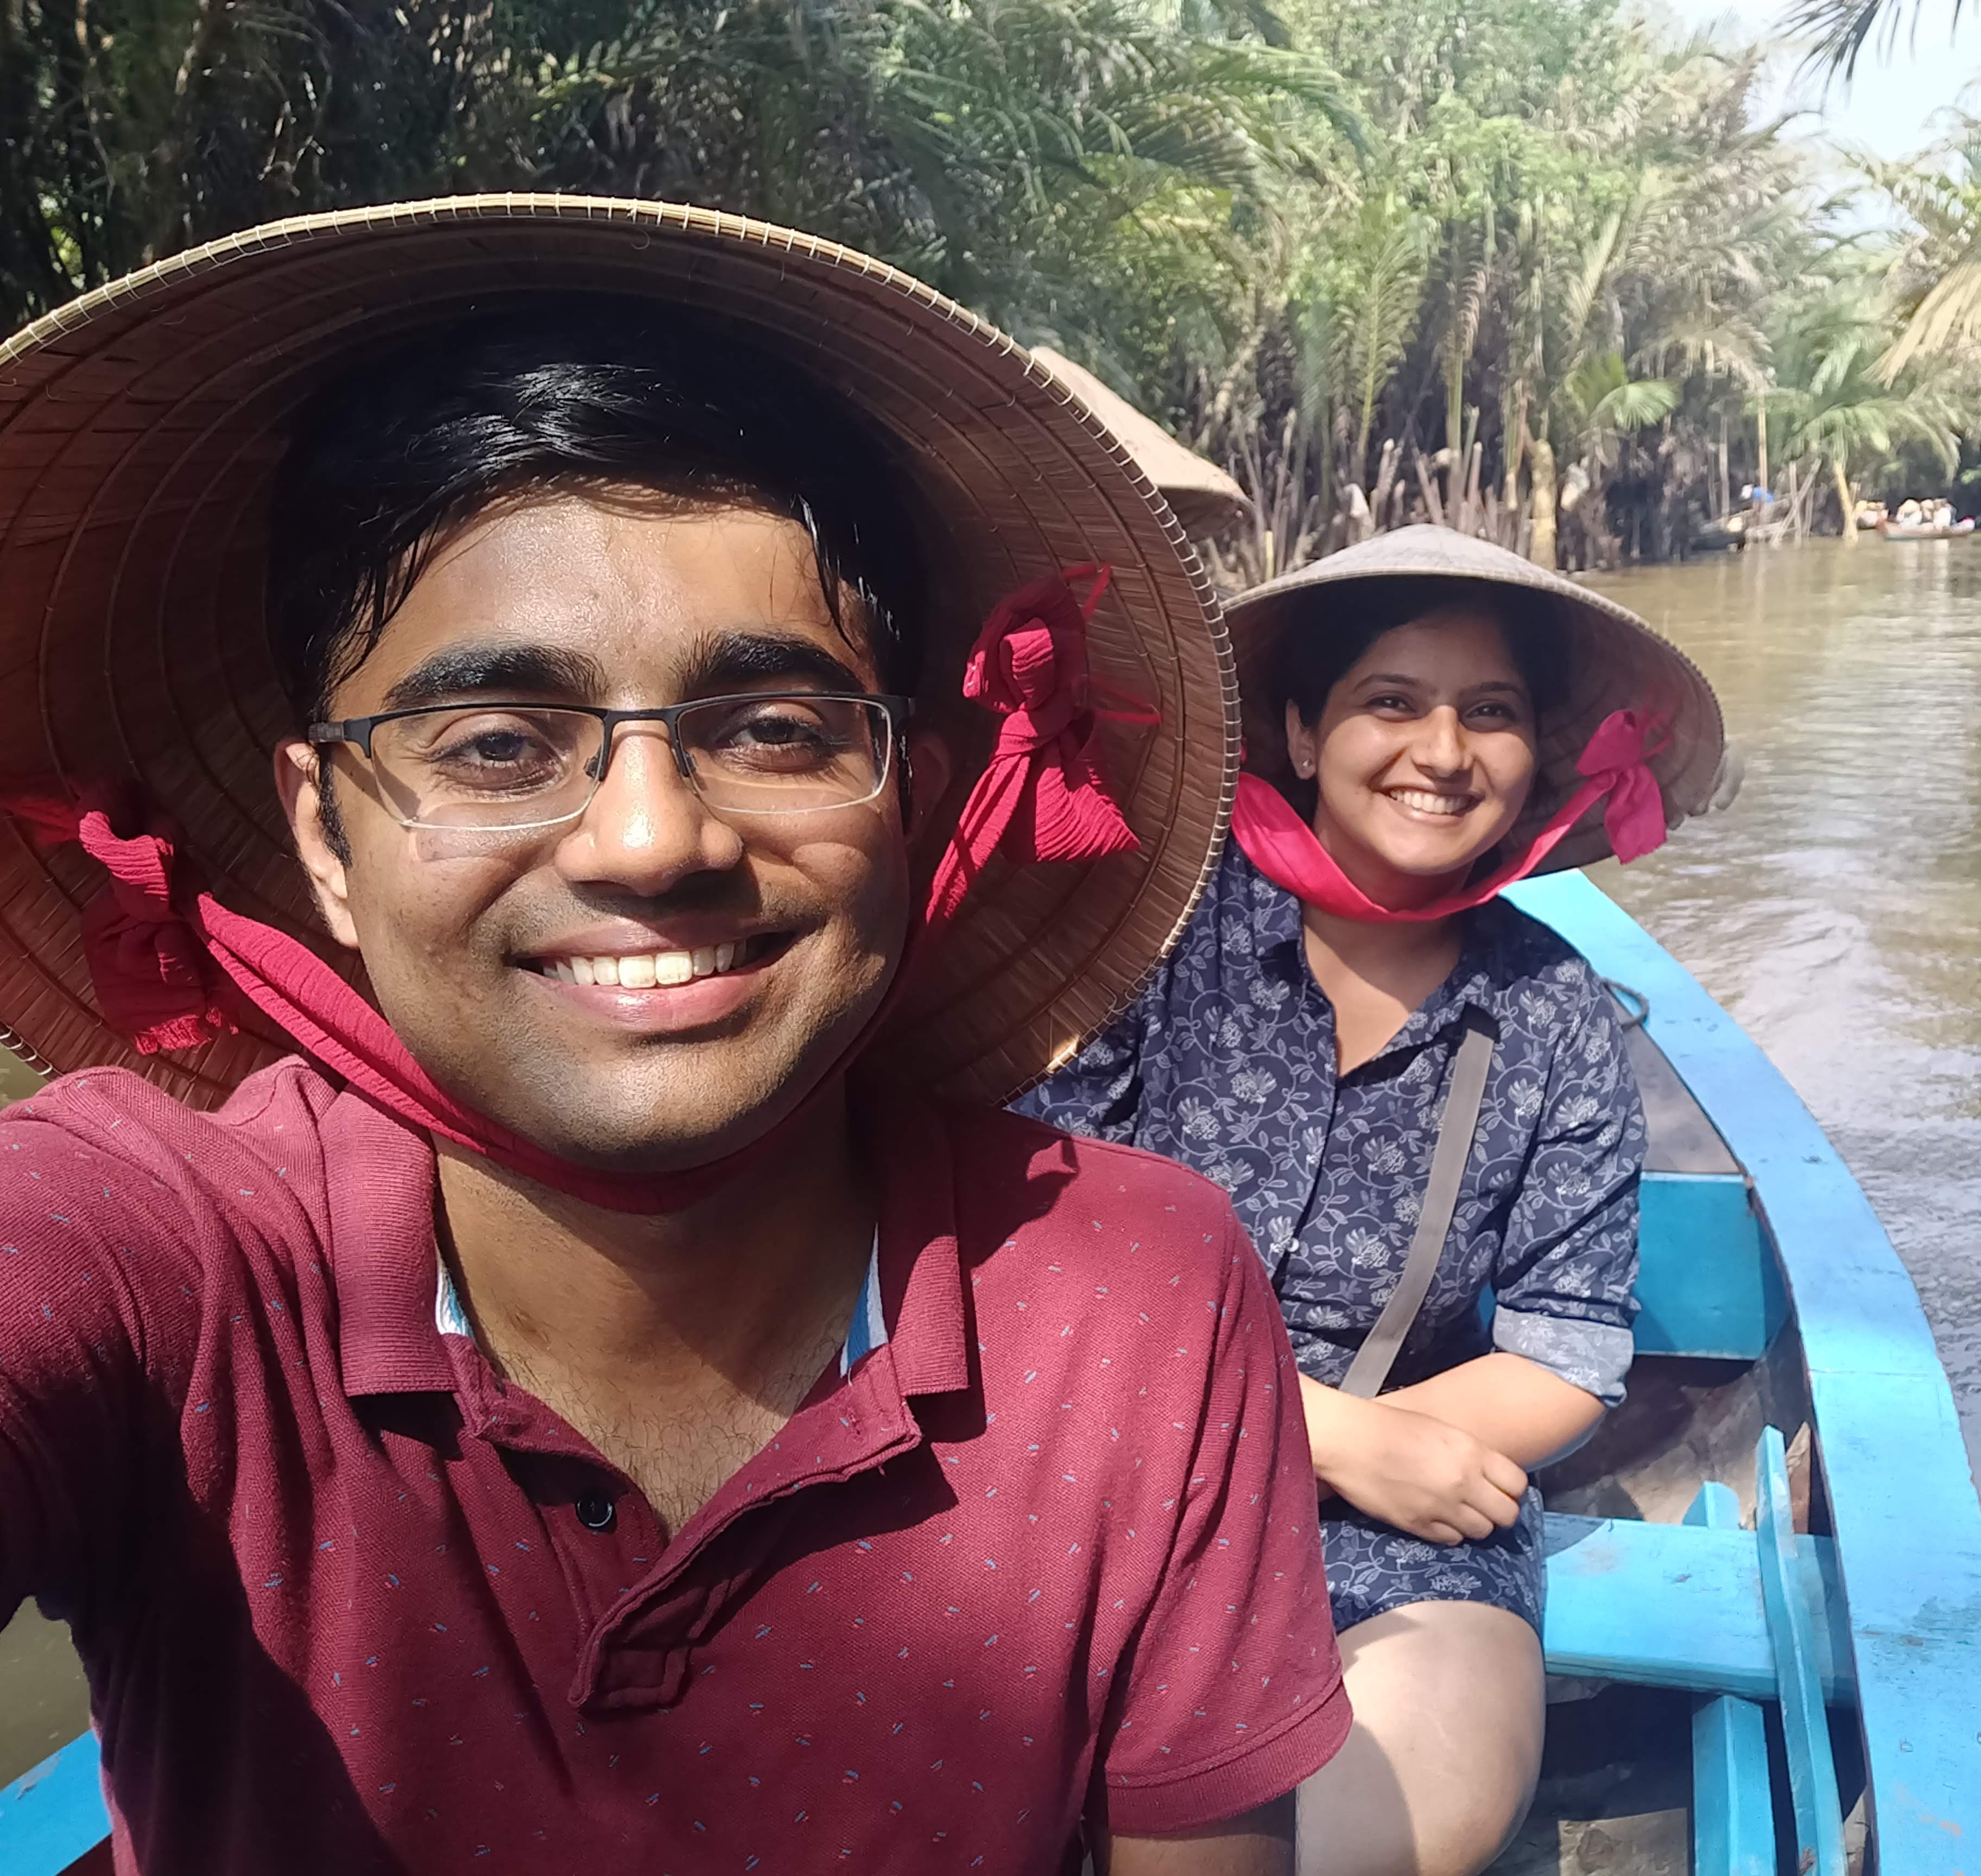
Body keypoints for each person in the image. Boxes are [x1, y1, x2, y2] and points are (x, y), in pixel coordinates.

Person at [0, 200, 1348, 1875]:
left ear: (917, 802)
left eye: (776, 728)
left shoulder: (1141, 1287)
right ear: (327, 842)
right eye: (497, 743)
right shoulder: (156, 1257)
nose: (650, 842)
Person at [1018, 525, 1728, 1875]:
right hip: (1109, 1473)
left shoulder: (1556, 1012)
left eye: (1492, 713)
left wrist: (1366, 1466)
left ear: (1533, 764)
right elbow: (1031, 1261)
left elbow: (1569, 1350)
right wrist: (1318, 1438)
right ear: (1299, 728)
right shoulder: (1152, 939)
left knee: (1415, 1796)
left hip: (1412, 1521)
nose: (1443, 752)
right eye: (1392, 702)